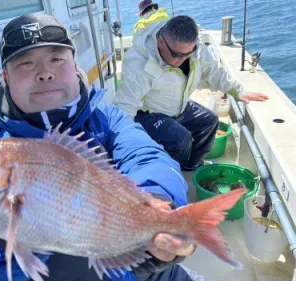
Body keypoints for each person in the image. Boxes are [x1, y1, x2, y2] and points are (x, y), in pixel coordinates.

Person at [0, 13, 231, 281]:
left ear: (74, 66)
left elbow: (148, 155)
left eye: (57, 59)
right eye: (25, 63)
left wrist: (160, 202)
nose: (44, 73)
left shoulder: (106, 117)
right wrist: (11, 233)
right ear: (5, 77)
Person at [114, 15, 268, 171]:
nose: (182, 59)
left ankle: (191, 166)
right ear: (161, 42)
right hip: (147, 113)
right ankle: (172, 175)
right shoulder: (138, 63)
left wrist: (238, 92)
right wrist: (120, 143)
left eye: (188, 53)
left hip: (177, 106)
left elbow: (214, 72)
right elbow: (125, 105)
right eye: (176, 55)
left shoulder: (195, 49)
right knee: (180, 139)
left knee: (210, 121)